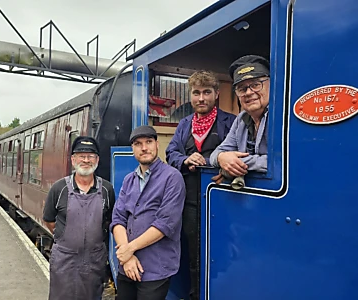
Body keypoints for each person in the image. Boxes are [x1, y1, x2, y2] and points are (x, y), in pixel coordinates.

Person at [165, 70, 235, 300]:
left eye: (206, 92)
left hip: (222, 200)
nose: (201, 98)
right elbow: (171, 152)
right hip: (189, 201)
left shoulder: (232, 122)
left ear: (216, 94)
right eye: (196, 93)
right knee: (193, 254)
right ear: (191, 95)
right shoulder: (184, 125)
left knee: (221, 252)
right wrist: (185, 160)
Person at [111, 126, 185, 300]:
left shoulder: (172, 178)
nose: (144, 148)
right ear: (132, 149)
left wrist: (128, 249)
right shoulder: (129, 179)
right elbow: (118, 218)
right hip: (127, 265)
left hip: (155, 267)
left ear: (157, 145)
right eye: (138, 144)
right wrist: (126, 256)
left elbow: (165, 224)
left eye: (149, 142)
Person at [42, 136, 115, 300]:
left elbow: (109, 220)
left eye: (90, 156)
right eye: (81, 155)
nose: (86, 160)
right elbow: (49, 220)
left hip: (94, 261)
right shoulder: (59, 188)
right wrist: (64, 238)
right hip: (64, 260)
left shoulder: (107, 189)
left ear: (97, 160)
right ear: (73, 159)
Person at [210, 55, 270, 183]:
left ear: (270, 84)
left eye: (256, 84)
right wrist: (221, 158)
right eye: (242, 89)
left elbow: (285, 162)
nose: (248, 92)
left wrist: (234, 164)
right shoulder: (241, 119)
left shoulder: (282, 117)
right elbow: (217, 153)